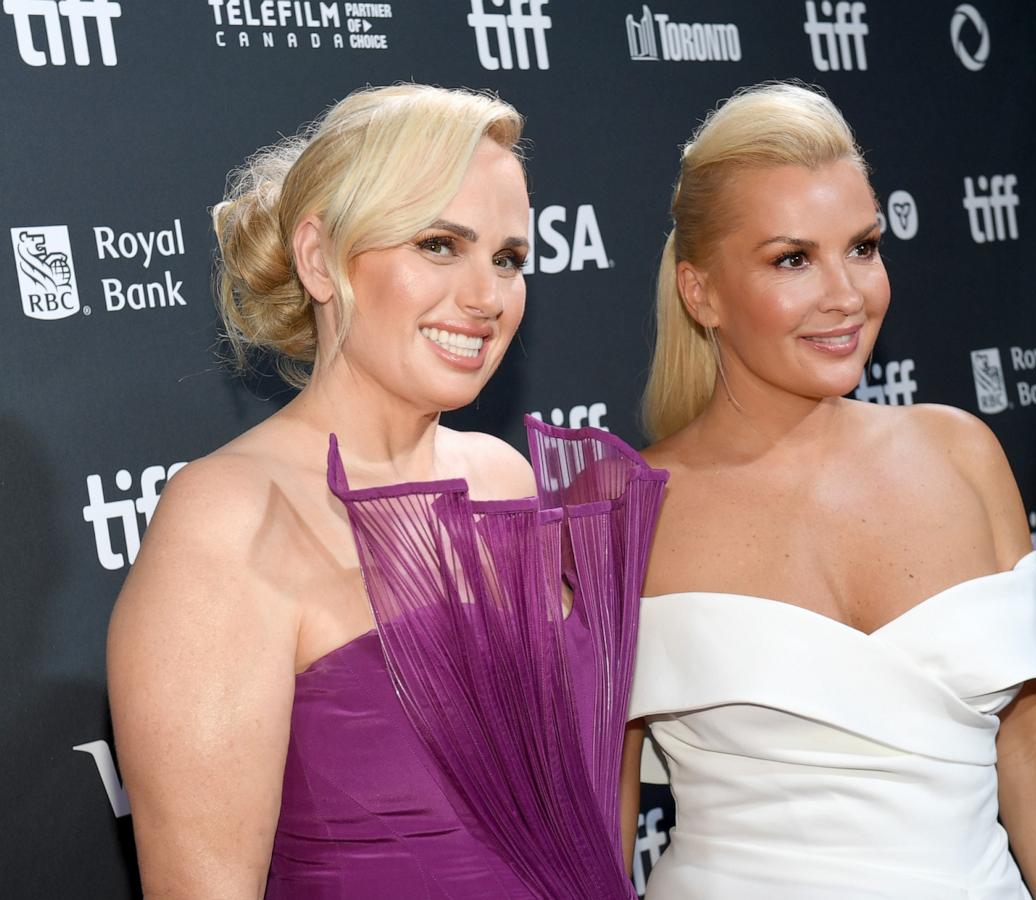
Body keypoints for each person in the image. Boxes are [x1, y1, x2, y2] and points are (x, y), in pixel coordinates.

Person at [107, 84, 664, 899]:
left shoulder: (504, 478)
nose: (487, 297)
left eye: (509, 258)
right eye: (440, 244)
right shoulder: (227, 518)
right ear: (318, 259)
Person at [620, 82, 1036, 899]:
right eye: (792, 259)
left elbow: (1032, 744)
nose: (847, 294)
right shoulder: (624, 504)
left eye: (863, 246)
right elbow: (603, 799)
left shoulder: (962, 453)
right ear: (700, 291)